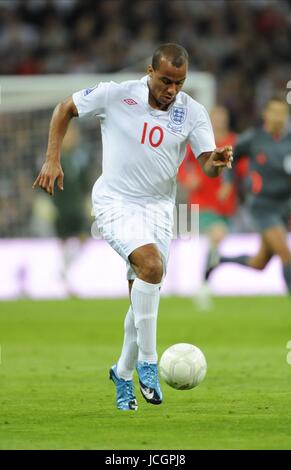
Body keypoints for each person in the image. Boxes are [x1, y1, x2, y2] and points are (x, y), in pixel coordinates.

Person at [33, 43, 233, 411]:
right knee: (151, 267)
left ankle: (121, 373)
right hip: (115, 202)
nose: (172, 90)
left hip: (159, 209)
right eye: (166, 81)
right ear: (149, 71)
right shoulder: (116, 95)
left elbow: (206, 160)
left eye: (180, 83)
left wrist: (216, 160)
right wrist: (52, 159)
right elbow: (65, 108)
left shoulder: (193, 112)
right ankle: (148, 361)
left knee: (143, 289)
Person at [205, 96, 291, 295]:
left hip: (284, 207)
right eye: (274, 112)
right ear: (265, 114)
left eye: (282, 113)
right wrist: (227, 183)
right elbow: (229, 157)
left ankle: (219, 260)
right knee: (286, 254)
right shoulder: (253, 138)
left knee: (259, 263)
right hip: (262, 206)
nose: (278, 117)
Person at [178, 106, 237, 308]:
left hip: (225, 206)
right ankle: (203, 284)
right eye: (216, 118)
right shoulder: (200, 141)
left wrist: (231, 185)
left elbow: (243, 169)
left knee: (217, 243)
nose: (219, 122)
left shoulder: (234, 142)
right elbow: (179, 164)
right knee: (217, 235)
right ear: (210, 120)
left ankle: (206, 280)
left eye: (222, 118)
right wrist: (188, 179)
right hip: (202, 203)